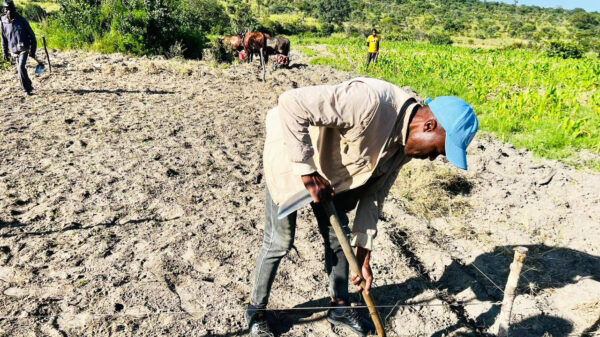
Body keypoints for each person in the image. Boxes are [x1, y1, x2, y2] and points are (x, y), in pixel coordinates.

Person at [247, 77, 479, 337]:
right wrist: (306, 170)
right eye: (437, 150)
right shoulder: (369, 101)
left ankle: (340, 307)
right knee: (280, 241)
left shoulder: (403, 148)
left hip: (331, 170)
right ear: (429, 125)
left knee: (338, 238)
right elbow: (291, 103)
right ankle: (256, 311)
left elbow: (375, 196)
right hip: (293, 149)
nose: (433, 158)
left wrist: (363, 254)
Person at [1, 0, 37, 95]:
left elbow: (32, 36)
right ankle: (28, 84)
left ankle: (26, 90)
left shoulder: (22, 20)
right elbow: (4, 39)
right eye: (7, 10)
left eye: (11, 10)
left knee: (21, 67)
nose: (9, 12)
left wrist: (33, 51)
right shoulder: (3, 21)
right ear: (4, 10)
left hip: (24, 48)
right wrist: (5, 53)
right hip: (13, 50)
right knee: (21, 69)